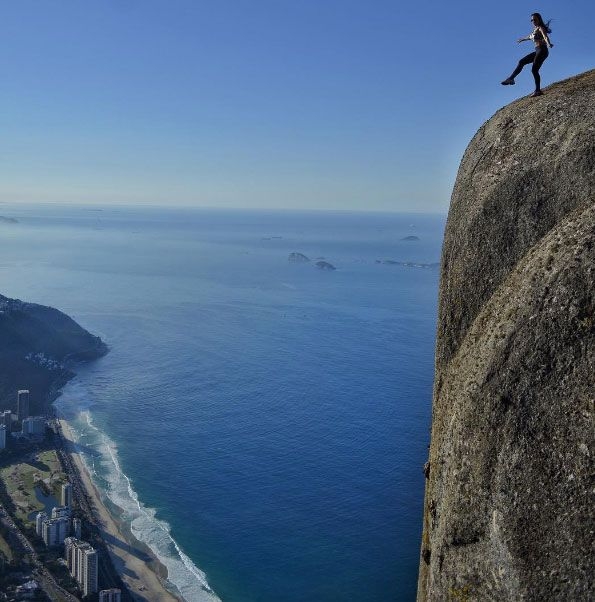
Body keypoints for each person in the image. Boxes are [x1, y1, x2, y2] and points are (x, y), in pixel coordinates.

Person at [501, 13, 553, 97]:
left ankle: (538, 90)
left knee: (534, 70)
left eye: (535, 19)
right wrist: (522, 39)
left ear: (539, 19)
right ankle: (511, 79)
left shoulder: (540, 28)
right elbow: (529, 36)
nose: (533, 21)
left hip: (543, 50)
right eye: (532, 20)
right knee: (522, 61)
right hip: (537, 51)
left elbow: (545, 36)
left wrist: (549, 43)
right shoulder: (535, 29)